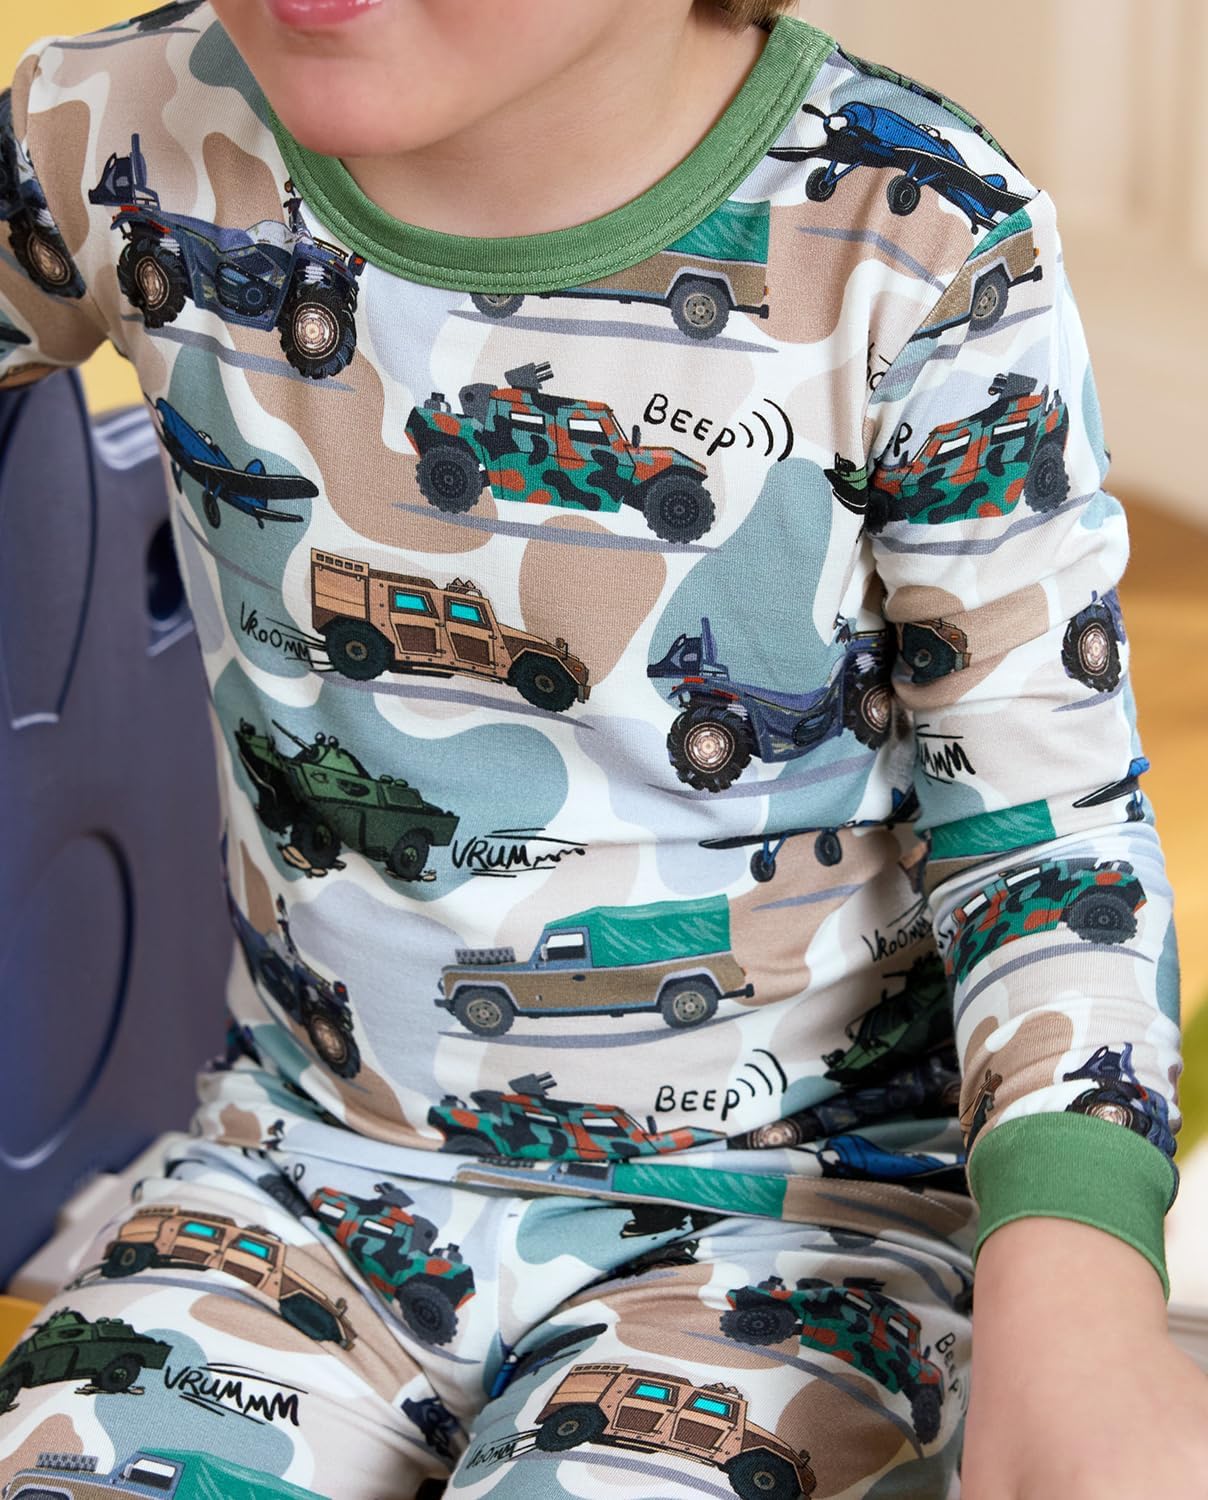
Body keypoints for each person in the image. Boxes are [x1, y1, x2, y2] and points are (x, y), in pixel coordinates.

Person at [0, 1, 1202, 1495]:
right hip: (299, 1174)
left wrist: (1075, 1290)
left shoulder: (916, 241)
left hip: (798, 1236)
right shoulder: (117, 120)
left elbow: (1048, 839)